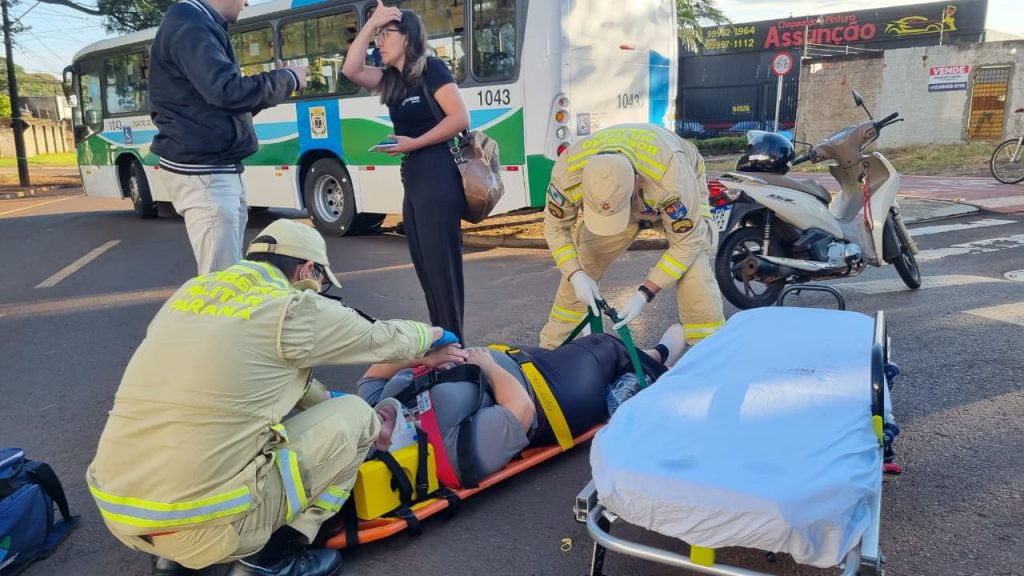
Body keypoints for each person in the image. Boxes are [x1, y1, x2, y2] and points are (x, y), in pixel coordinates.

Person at [86, 219, 464, 576]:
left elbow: (271, 387)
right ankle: (275, 557)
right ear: (306, 270)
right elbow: (382, 336)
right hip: (209, 525)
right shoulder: (291, 308)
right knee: (357, 415)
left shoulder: (191, 295)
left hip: (120, 513)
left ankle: (170, 561)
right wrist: (438, 338)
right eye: (321, 282)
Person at [357, 325, 687, 486]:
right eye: (377, 432)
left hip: (520, 362)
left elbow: (374, 371)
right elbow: (521, 410)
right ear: (394, 450)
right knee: (608, 345)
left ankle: (650, 359)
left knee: (593, 346)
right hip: (548, 397)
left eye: (366, 425)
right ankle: (664, 359)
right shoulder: (448, 454)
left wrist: (426, 358)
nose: (373, 421)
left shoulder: (379, 409)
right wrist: (487, 366)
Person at [342, 1, 471, 343]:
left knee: (442, 269)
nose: (379, 43)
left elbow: (459, 119)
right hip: (413, 178)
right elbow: (351, 69)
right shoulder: (392, 80)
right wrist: (371, 24)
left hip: (437, 175)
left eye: (386, 35)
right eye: (378, 36)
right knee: (425, 267)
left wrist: (413, 143)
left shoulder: (433, 69)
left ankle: (455, 347)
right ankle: (444, 341)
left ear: (408, 36)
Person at [149, 0, 309, 274]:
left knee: (227, 273)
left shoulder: (197, 22)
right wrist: (287, 79)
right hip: (205, 170)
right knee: (220, 280)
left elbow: (227, 103)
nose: (247, 2)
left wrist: (282, 82)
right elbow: (227, 92)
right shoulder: (190, 23)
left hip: (213, 167)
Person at [539, 123, 726, 350]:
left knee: (694, 269)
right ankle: (552, 349)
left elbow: (687, 243)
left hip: (676, 182)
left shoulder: (670, 175)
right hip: (628, 197)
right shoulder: (567, 172)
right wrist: (575, 274)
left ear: (636, 181)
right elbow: (555, 228)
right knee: (586, 257)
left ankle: (710, 353)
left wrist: (644, 293)